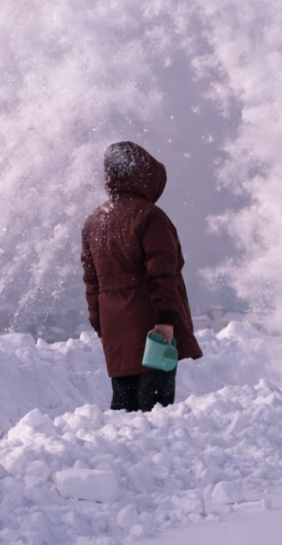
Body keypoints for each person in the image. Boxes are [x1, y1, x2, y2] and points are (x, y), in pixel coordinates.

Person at [81, 141, 202, 412]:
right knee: (155, 408)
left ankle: (120, 454)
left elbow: (92, 282)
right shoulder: (150, 218)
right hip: (153, 329)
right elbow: (163, 275)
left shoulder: (94, 221)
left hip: (115, 329)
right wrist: (165, 321)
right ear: (144, 176)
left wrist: (100, 324)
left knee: (124, 406)